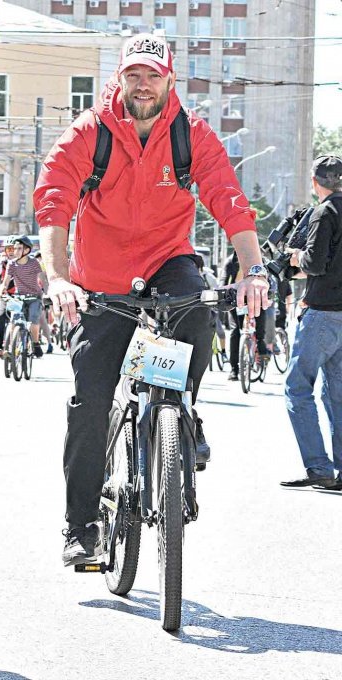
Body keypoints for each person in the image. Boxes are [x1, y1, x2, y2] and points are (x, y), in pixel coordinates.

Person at [34, 33, 268, 567]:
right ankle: (81, 524)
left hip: (167, 261)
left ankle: (183, 406)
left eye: (153, 76)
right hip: (101, 280)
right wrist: (57, 278)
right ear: (120, 78)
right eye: (133, 75)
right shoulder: (89, 132)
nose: (143, 86)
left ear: (169, 80)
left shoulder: (191, 134)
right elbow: (54, 204)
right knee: (90, 403)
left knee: (198, 307)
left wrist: (253, 270)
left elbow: (230, 201)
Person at [281, 155, 342, 490]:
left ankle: (318, 467)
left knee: (297, 387)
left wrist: (294, 257)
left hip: (322, 313)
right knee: (338, 395)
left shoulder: (324, 211)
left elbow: (315, 262)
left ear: (316, 182)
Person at [221, 251, 270, 380]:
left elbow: (268, 281)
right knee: (235, 332)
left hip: (256, 298)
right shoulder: (230, 262)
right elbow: (223, 282)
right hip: (236, 300)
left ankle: (261, 356)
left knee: (260, 332)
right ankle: (234, 369)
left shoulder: (260, 261)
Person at [0, 234, 48, 358]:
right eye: (14, 248)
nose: (15, 251)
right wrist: (0, 291)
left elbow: (42, 278)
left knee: (33, 320)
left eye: (19, 248)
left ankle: (36, 344)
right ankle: (10, 348)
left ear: (27, 250)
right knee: (13, 320)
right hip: (18, 297)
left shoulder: (33, 262)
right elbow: (5, 282)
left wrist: (47, 292)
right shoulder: (11, 264)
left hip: (34, 296)